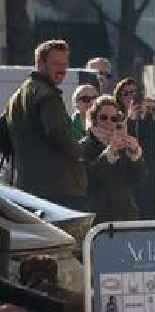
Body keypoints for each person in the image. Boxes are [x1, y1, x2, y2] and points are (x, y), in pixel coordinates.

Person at [6, 39, 87, 210]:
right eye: (56, 63)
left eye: (65, 64)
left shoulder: (18, 95)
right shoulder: (47, 96)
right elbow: (59, 134)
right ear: (40, 63)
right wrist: (83, 151)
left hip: (28, 188)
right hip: (55, 191)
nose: (62, 69)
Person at [79, 95, 144, 224]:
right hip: (98, 219)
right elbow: (87, 179)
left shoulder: (122, 143)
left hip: (125, 216)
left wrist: (135, 155)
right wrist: (108, 154)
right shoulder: (84, 145)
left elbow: (139, 179)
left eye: (114, 119)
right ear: (94, 119)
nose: (109, 122)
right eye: (103, 117)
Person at [114, 77, 155, 219]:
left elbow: (152, 144)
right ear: (119, 96)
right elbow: (124, 142)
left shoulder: (145, 116)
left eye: (134, 93)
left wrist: (149, 116)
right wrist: (131, 119)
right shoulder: (114, 115)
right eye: (126, 93)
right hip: (125, 174)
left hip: (147, 172)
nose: (131, 97)